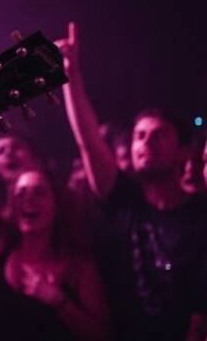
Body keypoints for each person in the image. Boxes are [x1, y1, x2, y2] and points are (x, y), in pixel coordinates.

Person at [0, 49, 111, 341]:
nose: (27, 200)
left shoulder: (78, 266)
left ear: (57, 204)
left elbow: (104, 335)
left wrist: (59, 302)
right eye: (20, 194)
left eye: (38, 192)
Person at [57, 21, 207, 341]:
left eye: (159, 135)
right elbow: (88, 142)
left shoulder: (201, 216)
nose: (146, 143)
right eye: (139, 136)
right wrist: (70, 76)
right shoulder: (123, 200)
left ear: (183, 153)